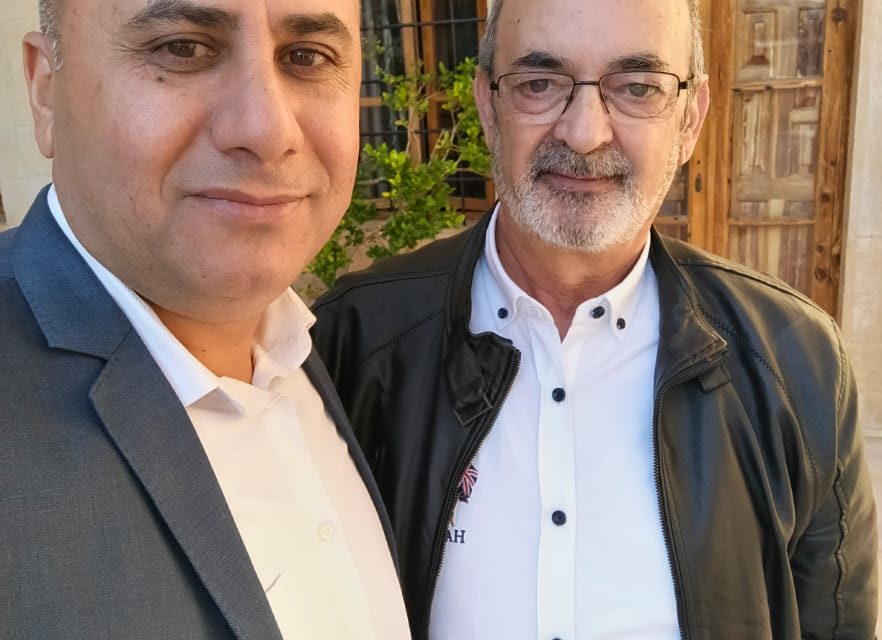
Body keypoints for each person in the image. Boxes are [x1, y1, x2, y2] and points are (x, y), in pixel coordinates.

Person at [311, 0, 879, 637]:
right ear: (488, 107)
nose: (584, 133)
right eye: (539, 83)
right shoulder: (354, 343)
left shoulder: (797, 362)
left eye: (638, 87)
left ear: (690, 119)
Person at [0, 0, 411, 638]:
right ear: (46, 89)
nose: (267, 129)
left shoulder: (316, 354)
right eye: (182, 48)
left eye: (306, 57)